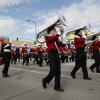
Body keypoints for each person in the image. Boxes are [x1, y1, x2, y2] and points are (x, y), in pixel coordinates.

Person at [42, 25, 67, 92]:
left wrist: (63, 38)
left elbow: (62, 44)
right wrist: (58, 34)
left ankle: (57, 86)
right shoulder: (47, 37)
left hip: (56, 53)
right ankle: (45, 80)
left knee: (58, 71)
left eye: (55, 30)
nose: (55, 31)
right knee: (53, 71)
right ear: (50, 31)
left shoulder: (55, 38)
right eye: (53, 30)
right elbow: (53, 38)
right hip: (51, 53)